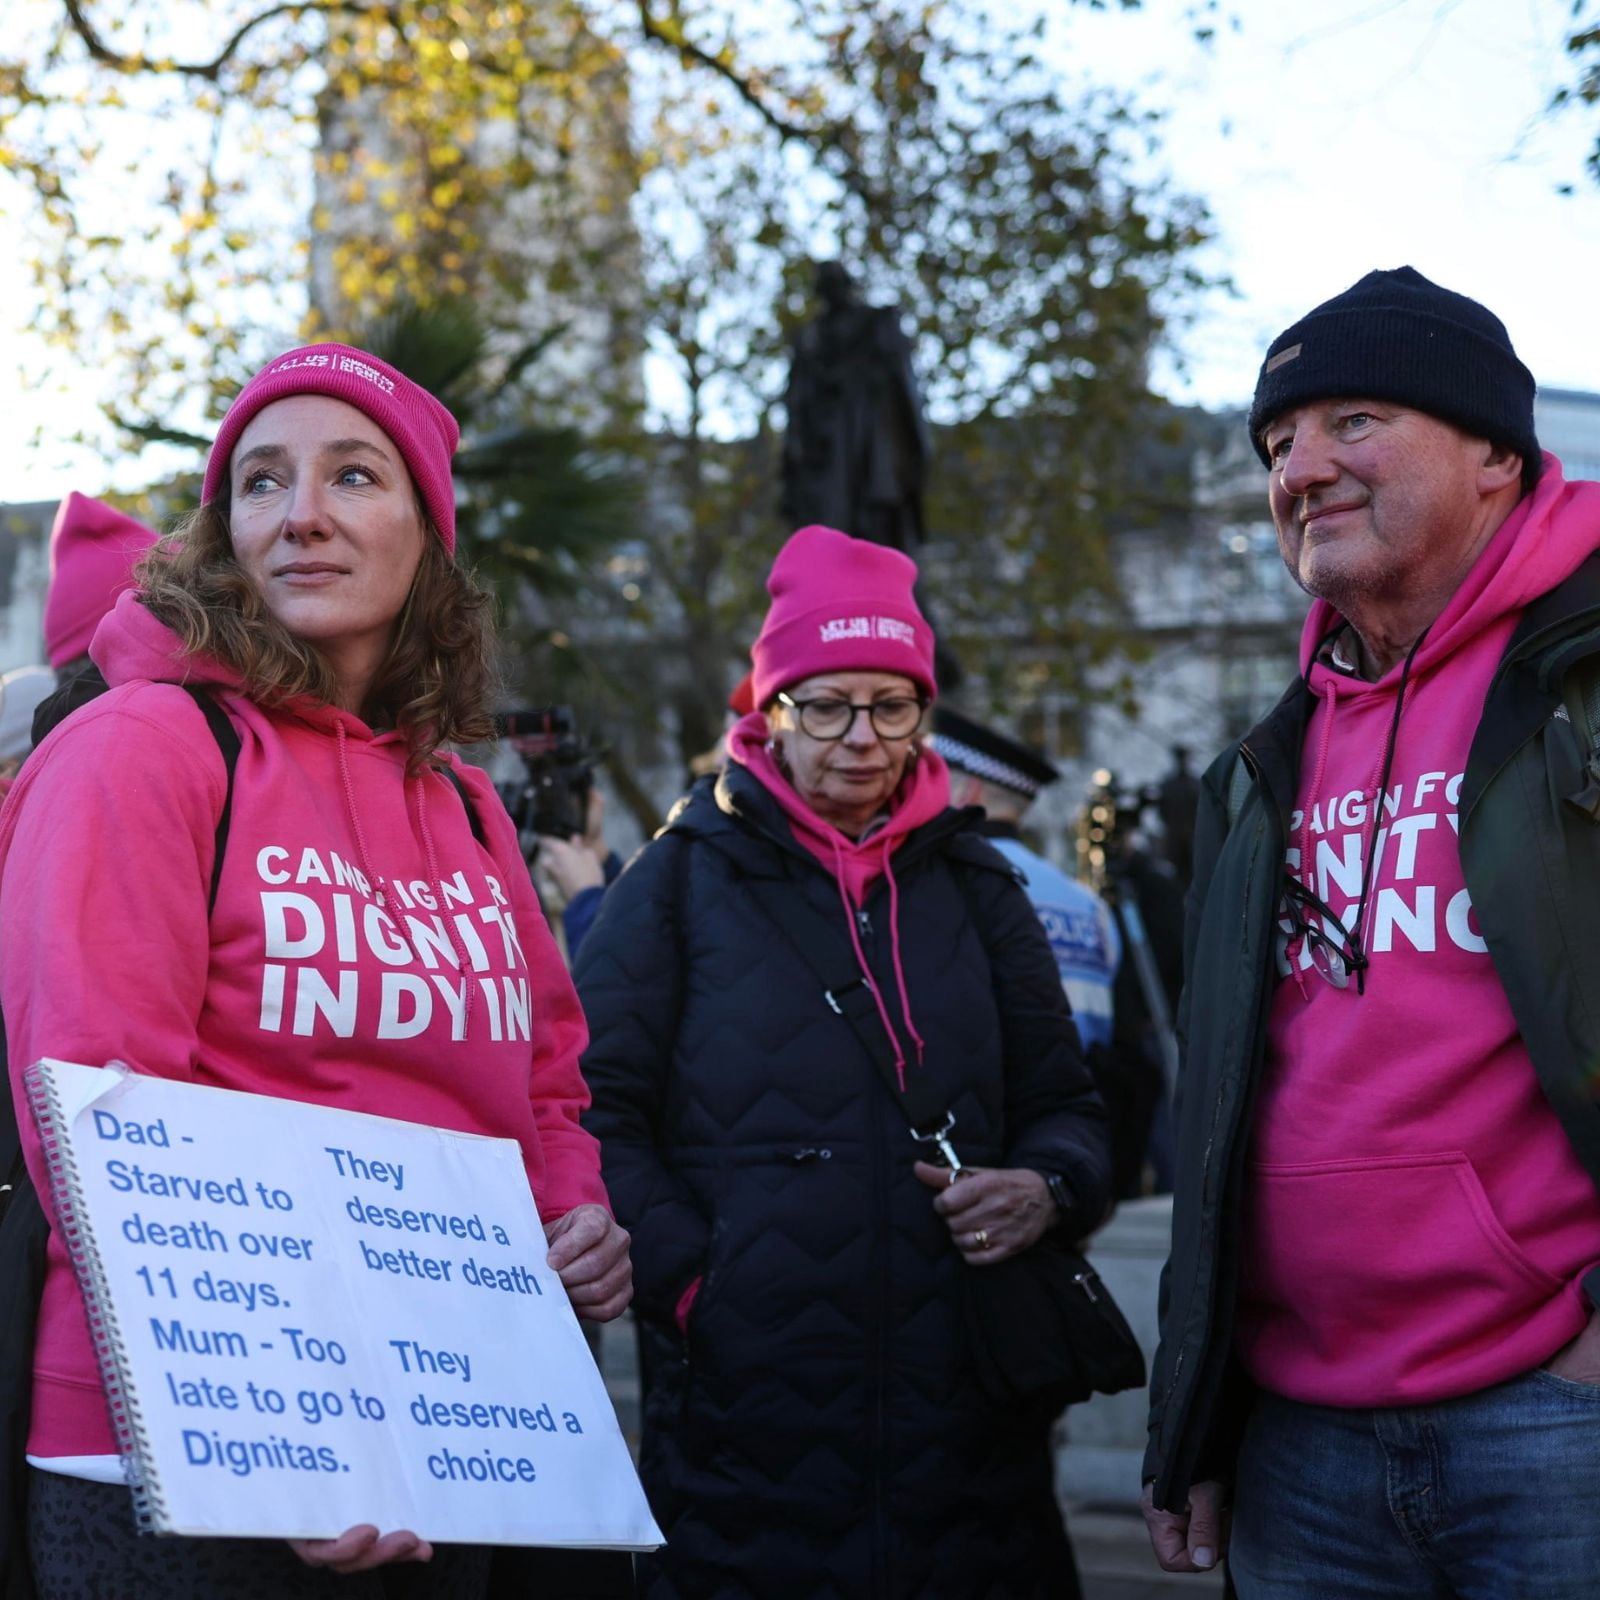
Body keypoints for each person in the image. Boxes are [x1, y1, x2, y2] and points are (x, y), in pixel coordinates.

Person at [0, 343, 630, 1597]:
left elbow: (543, 1076)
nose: (301, 515)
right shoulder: (140, 746)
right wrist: (284, 1431)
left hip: (462, 1420)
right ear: (224, 532)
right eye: (262, 481)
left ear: (426, 535)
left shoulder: (463, 801)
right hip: (185, 1449)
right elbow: (107, 1116)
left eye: (352, 475)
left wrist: (577, 1213)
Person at [1140, 267, 1600, 1598]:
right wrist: (1200, 1414)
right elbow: (1218, 1107)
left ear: (1495, 455)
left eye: (1353, 421)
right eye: (1280, 442)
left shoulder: (1583, 681)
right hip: (1300, 1448)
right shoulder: (1258, 768)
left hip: (1560, 1423)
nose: (1300, 470)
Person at [577, 524, 1110, 1599]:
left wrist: (1048, 1187)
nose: (862, 737)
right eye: (826, 705)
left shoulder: (982, 886)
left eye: (892, 705)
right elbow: (592, 1113)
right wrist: (698, 1288)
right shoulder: (674, 884)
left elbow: (1074, 1110)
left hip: (969, 1438)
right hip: (741, 1433)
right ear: (770, 711)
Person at [929, 708, 1159, 1202]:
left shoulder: (951, 887)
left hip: (983, 1154)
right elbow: (1123, 1042)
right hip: (1071, 1156)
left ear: (967, 792)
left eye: (932, 777)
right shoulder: (1088, 905)